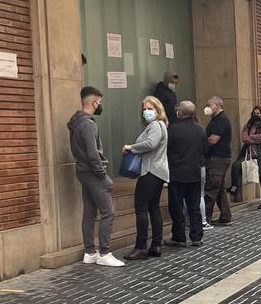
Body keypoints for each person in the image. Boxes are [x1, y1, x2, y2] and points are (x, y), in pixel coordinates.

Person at [67, 86, 125, 267]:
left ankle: (90, 252)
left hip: (83, 171)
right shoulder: (88, 124)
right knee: (108, 212)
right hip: (93, 173)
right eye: (99, 102)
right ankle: (104, 253)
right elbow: (93, 153)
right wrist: (103, 175)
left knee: (89, 213)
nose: (100, 105)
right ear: (94, 102)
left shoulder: (76, 122)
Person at [122, 96, 169, 259]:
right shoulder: (160, 125)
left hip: (150, 171)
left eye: (150, 109)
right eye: (145, 109)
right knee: (153, 207)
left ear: (158, 110)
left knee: (141, 208)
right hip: (158, 172)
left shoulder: (156, 125)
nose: (147, 112)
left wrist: (132, 147)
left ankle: (141, 246)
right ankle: (156, 244)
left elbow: (151, 144)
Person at [166, 101, 207, 248]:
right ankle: (196, 237)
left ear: (180, 113)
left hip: (176, 174)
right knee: (194, 207)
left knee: (176, 207)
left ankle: (179, 237)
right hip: (194, 174)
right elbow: (204, 151)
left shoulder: (172, 129)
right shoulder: (201, 130)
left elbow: (167, 150)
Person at [201, 96, 234, 226]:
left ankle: (204, 219)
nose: (207, 108)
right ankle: (226, 216)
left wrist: (200, 142)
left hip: (217, 158)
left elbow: (213, 140)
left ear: (217, 105)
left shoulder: (221, 120)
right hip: (218, 158)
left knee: (211, 188)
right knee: (219, 189)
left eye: (209, 105)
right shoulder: (215, 120)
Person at [240, 105, 261, 209]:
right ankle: (235, 192)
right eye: (254, 113)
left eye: (258, 113)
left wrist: (251, 137)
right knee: (237, 168)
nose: (256, 115)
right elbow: (244, 138)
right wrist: (254, 139)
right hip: (250, 153)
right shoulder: (248, 125)